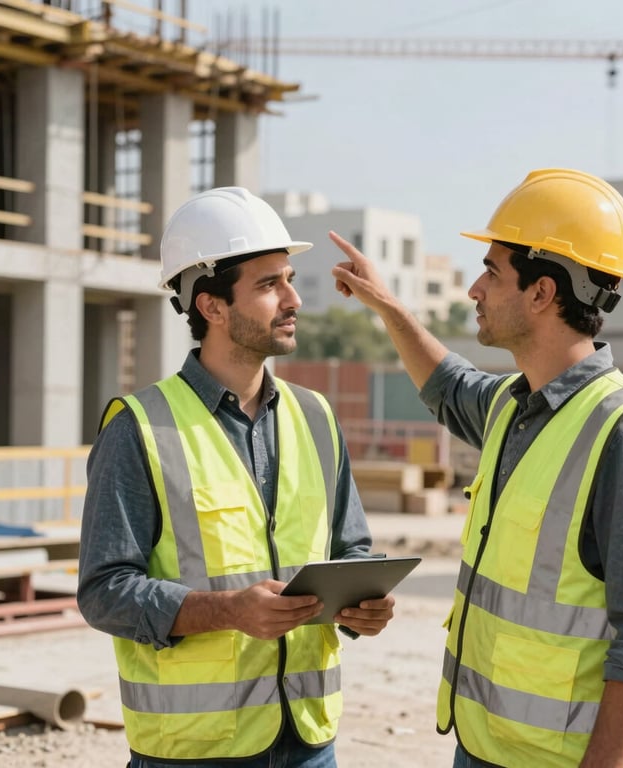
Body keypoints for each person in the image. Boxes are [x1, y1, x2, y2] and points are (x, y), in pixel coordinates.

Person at [328, 168, 623, 768]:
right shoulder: (513, 405)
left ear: (542, 293)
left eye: (493, 271)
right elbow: (447, 384)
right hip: (484, 747)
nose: (475, 289)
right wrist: (388, 305)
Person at [77, 186, 395, 768]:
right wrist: (226, 610)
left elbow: (351, 551)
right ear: (211, 306)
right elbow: (104, 593)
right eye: (269, 284)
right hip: (195, 750)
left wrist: (362, 609)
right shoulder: (139, 426)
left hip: (307, 741)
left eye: (289, 278)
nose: (293, 298)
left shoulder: (317, 417)